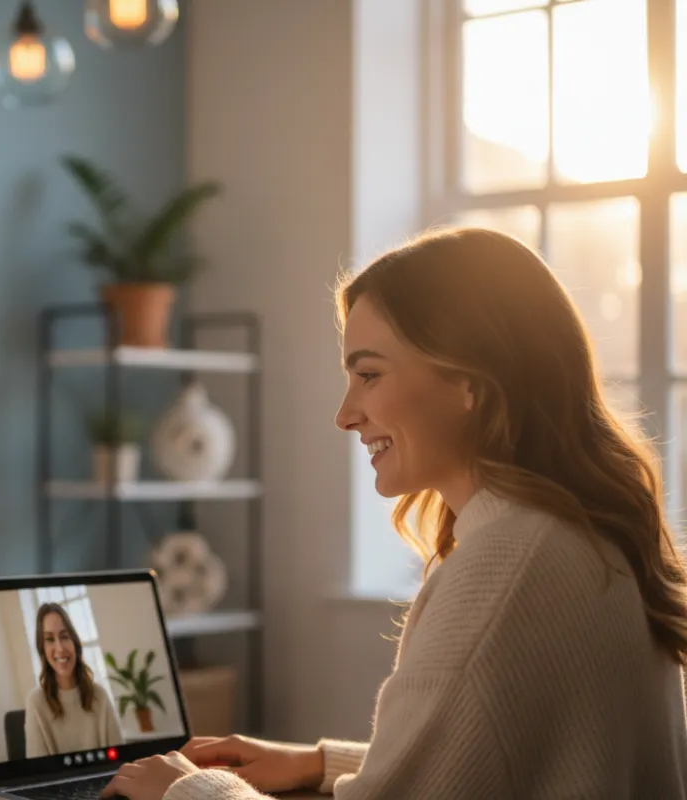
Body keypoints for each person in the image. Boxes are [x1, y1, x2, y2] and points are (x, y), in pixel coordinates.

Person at [101, 227, 687, 799]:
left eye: (370, 375)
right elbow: (518, 758)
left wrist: (187, 788)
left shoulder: (502, 571)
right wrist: (320, 764)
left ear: (470, 381)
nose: (345, 415)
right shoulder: (581, 535)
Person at [24, 601, 122, 758]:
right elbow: (39, 770)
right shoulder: (36, 702)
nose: (60, 648)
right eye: (50, 639)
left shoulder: (100, 696)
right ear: (42, 649)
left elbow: (120, 761)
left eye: (64, 636)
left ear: (75, 643)